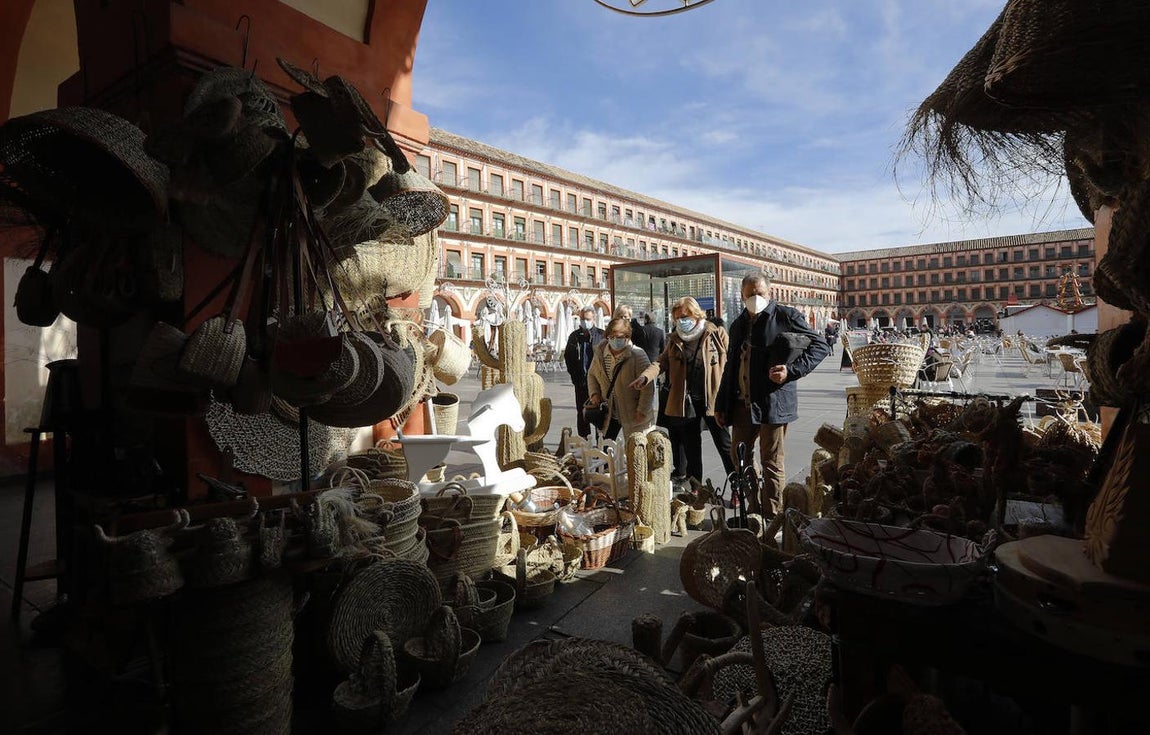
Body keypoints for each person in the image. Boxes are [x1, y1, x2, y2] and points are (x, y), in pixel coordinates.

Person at [715, 273, 830, 514]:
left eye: (759, 293)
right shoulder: (737, 324)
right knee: (739, 458)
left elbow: (820, 345)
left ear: (770, 293)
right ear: (742, 296)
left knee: (771, 461)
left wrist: (791, 371)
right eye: (750, 294)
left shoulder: (786, 316)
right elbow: (730, 367)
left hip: (773, 402)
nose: (755, 298)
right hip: (741, 403)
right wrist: (721, 404)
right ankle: (754, 508)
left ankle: (773, 515)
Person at [630, 296, 733, 484]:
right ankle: (695, 488)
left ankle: (737, 486)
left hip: (713, 399)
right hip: (687, 402)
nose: (681, 321)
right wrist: (645, 377)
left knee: (725, 446)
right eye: (677, 318)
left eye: (684, 317)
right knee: (692, 448)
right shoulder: (675, 338)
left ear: (696, 314)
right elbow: (661, 362)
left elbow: (732, 361)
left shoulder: (716, 333)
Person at [586, 316, 655, 440]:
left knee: (634, 447)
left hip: (632, 413)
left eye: (618, 337)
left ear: (627, 337)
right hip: (608, 412)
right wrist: (594, 394)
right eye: (611, 337)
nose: (614, 340)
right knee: (605, 447)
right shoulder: (600, 353)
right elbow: (592, 375)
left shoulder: (637, 355)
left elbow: (648, 386)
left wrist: (642, 410)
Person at [563, 306, 604, 438]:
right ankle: (584, 441)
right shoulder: (574, 337)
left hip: (599, 383)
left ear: (593, 319)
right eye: (582, 319)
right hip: (581, 382)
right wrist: (575, 376)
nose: (584, 322)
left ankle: (600, 441)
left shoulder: (601, 335)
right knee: (582, 413)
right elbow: (568, 357)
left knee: (600, 413)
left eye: (587, 319)